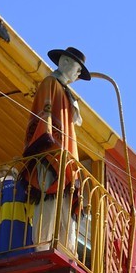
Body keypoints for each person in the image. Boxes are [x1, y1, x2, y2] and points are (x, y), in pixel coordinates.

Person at [23, 46, 88, 252]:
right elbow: (45, 119)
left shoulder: (65, 92)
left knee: (65, 218)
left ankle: (66, 253)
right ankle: (42, 252)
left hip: (64, 161)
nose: (78, 75)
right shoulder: (51, 84)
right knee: (48, 210)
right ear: (65, 62)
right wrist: (50, 142)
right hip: (50, 157)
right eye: (78, 69)